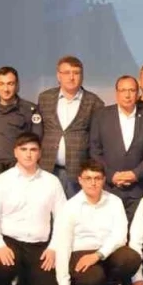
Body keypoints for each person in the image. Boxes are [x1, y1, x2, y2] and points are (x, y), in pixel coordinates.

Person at [0, 132, 67, 285]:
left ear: (39, 153)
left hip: (39, 245)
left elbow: (63, 218)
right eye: (23, 149)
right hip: (10, 241)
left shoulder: (52, 182)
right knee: (3, 265)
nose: (28, 154)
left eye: (33, 150)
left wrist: (53, 248)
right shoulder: (2, 181)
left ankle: (25, 282)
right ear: (15, 152)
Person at [51, 160, 143, 285]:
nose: (93, 183)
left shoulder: (114, 202)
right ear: (80, 180)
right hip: (79, 253)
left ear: (104, 180)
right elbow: (63, 246)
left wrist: (98, 255)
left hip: (105, 251)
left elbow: (120, 236)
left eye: (97, 178)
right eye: (88, 178)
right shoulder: (69, 207)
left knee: (131, 259)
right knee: (91, 279)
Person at [88, 75, 143, 218]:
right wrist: (112, 175)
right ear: (116, 93)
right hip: (109, 189)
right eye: (123, 90)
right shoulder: (101, 116)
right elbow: (95, 150)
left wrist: (135, 174)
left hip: (139, 189)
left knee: (137, 230)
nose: (127, 95)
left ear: (138, 93)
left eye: (132, 90)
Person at [37, 55, 105, 199]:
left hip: (78, 173)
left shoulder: (94, 102)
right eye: (67, 72)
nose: (71, 77)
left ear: (82, 76)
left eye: (76, 73)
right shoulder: (45, 98)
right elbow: (38, 133)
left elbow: (97, 141)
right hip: (47, 170)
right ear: (58, 75)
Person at [0, 66, 43, 189]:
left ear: (17, 85)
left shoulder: (30, 110)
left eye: (10, 84)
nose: (6, 89)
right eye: (1, 84)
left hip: (19, 173)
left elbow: (37, 142)